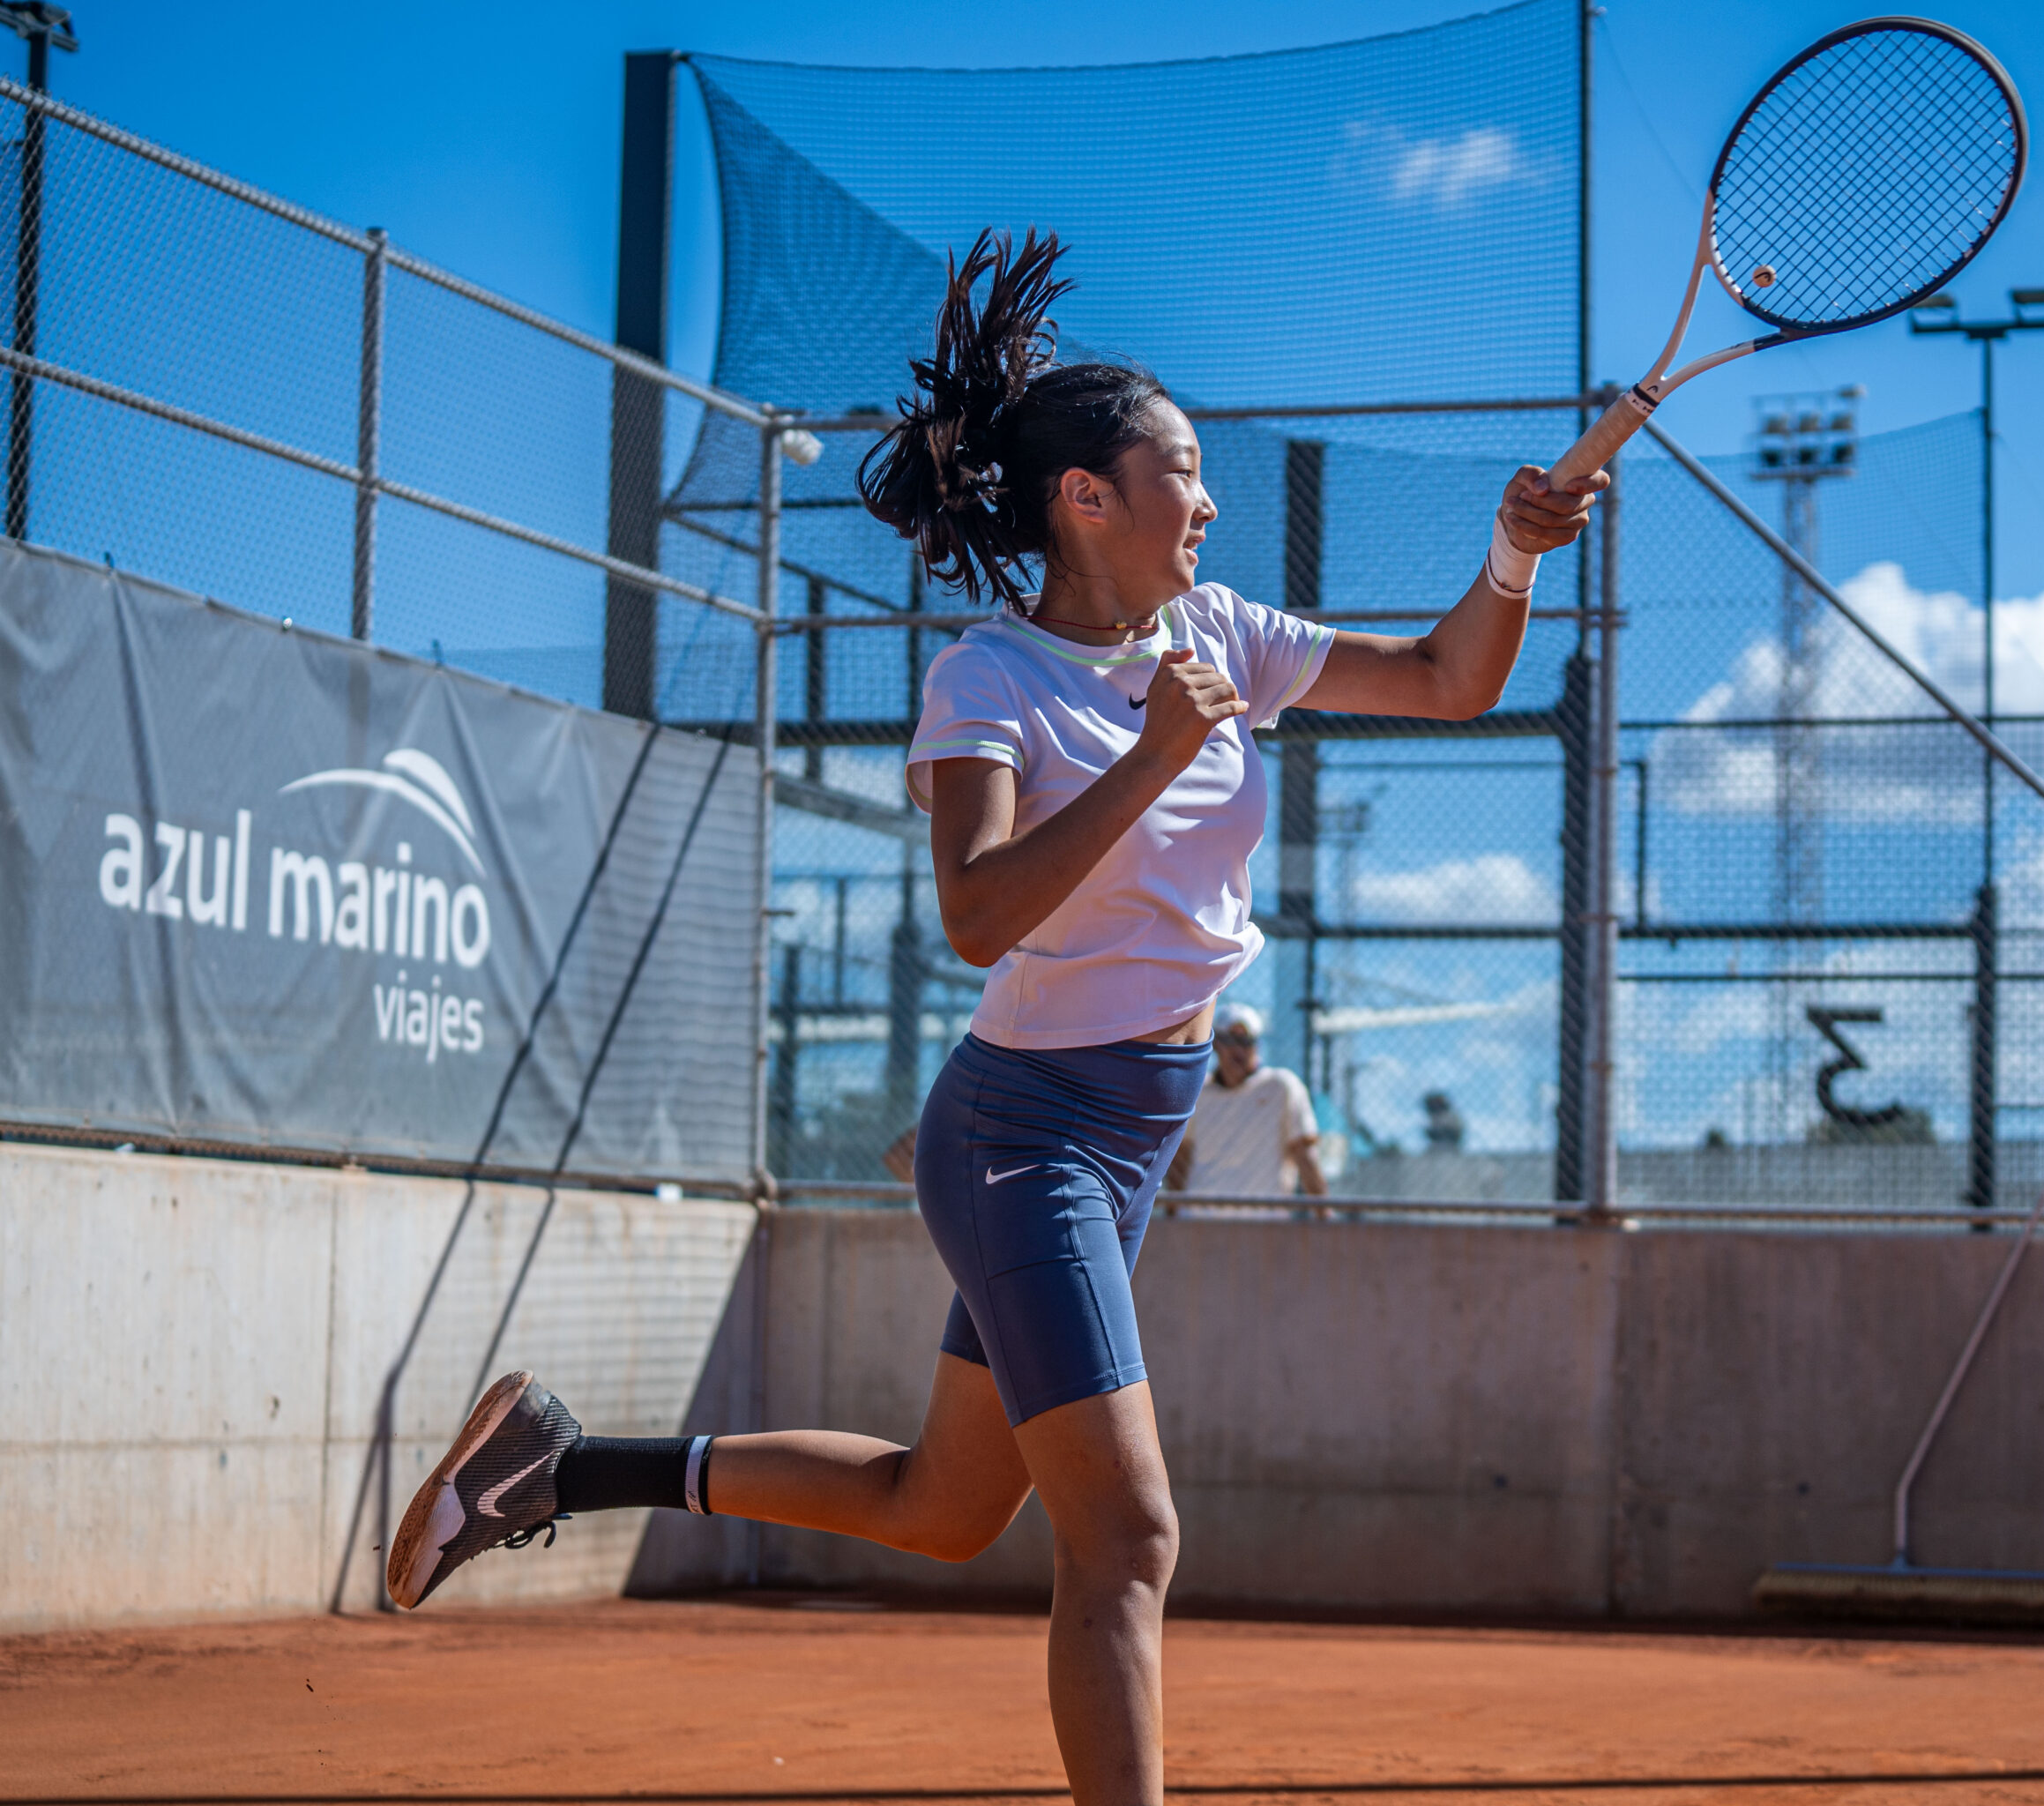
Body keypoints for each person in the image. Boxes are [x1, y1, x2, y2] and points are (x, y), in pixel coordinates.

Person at [385, 230, 1601, 1806]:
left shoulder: (1220, 633)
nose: (1211, 501)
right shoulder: (991, 679)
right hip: (1025, 1132)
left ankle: (561, 1459)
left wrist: (1510, 556)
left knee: (944, 1504)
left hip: (1132, 1134)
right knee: (1130, 1534)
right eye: (1184, 471)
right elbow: (974, 915)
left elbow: (1447, 678)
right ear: (1085, 497)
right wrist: (1154, 756)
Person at [1165, 1003, 1326, 1201]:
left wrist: (1324, 1215)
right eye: (1229, 1040)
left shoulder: (1281, 1086)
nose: (1238, 1050)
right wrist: (1173, 1213)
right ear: (1216, 1044)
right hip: (1201, 1219)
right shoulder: (1196, 1091)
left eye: (1245, 1041)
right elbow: (1180, 1156)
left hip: (1263, 1221)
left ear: (1256, 1045)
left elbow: (1305, 1153)